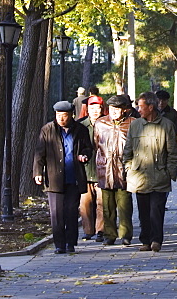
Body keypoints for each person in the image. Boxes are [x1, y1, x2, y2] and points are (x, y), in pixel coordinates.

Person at [123, 91, 177, 252]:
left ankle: (156, 240)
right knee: (143, 212)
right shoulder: (135, 125)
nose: (138, 109)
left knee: (157, 210)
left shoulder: (166, 125)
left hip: (159, 175)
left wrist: (170, 173)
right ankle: (145, 240)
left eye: (141, 106)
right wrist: (128, 168)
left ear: (150, 107)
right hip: (139, 176)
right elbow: (127, 150)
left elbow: (173, 152)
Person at [34, 100, 93, 254]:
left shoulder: (80, 130)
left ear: (71, 115)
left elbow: (88, 148)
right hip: (54, 178)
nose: (61, 118)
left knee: (71, 211)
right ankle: (59, 244)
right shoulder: (48, 129)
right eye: (58, 115)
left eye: (64, 115)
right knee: (56, 213)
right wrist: (38, 172)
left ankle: (71, 243)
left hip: (74, 177)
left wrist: (85, 155)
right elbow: (40, 153)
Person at [94, 93, 135, 246]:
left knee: (124, 205)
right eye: (112, 108)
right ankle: (109, 235)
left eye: (118, 108)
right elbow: (96, 144)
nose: (114, 111)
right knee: (107, 206)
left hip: (124, 170)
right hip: (105, 169)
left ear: (125, 109)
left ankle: (125, 235)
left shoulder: (132, 123)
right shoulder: (100, 123)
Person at [77, 94, 106, 242]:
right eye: (92, 107)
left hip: (103, 170)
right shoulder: (80, 125)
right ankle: (88, 231)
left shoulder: (107, 124)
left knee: (102, 202)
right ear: (87, 109)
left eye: (98, 107)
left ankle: (101, 230)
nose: (95, 110)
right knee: (85, 203)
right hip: (85, 170)